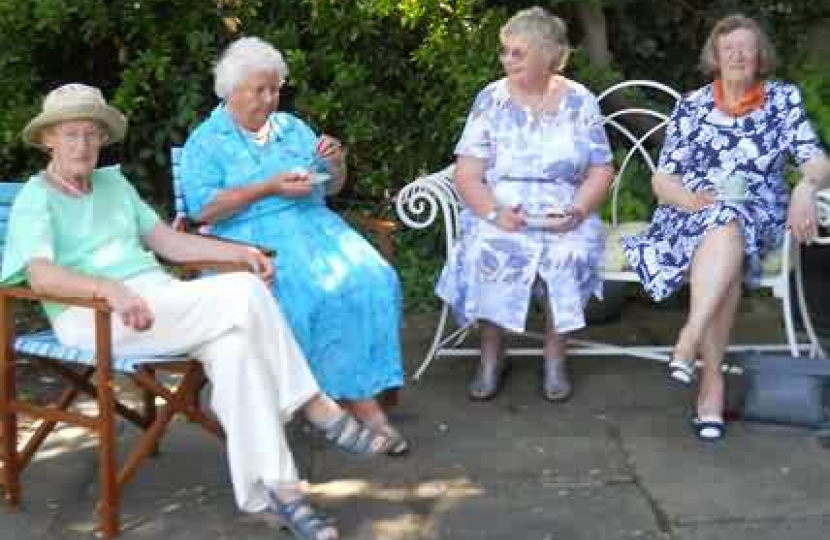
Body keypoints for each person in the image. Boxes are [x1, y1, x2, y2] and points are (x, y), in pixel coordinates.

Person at [1, 83, 399, 540]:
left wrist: (238, 251)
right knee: (247, 293)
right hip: (91, 315)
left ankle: (278, 494)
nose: (83, 145)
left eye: (91, 134)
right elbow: (42, 276)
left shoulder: (113, 182)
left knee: (235, 350)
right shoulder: (38, 196)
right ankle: (316, 406)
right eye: (71, 134)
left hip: (156, 302)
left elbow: (168, 242)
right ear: (49, 138)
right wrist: (108, 288)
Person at [179, 37, 408, 455]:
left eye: (275, 89)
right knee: (305, 293)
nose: (270, 99)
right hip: (247, 240)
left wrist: (336, 162)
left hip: (315, 226)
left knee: (373, 279)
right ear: (231, 90)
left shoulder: (292, 129)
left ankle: (355, 394)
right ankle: (339, 407)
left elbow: (331, 188)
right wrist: (267, 186)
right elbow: (204, 210)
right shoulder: (206, 141)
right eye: (259, 90)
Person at [621, 14, 830, 441]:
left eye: (746, 47)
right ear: (714, 56)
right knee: (723, 227)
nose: (737, 54)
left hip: (757, 212)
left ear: (760, 56)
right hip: (690, 211)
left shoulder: (782, 100)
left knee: (729, 223)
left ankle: (692, 346)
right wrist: (694, 201)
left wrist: (806, 188)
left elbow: (816, 160)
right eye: (728, 47)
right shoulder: (692, 105)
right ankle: (708, 380)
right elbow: (663, 180)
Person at [435, 6, 615, 402]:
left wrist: (578, 212)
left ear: (547, 55)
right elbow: (467, 173)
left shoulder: (580, 101)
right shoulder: (491, 99)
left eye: (518, 52)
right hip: (502, 208)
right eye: (505, 51)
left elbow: (602, 170)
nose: (506, 59)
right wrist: (495, 213)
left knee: (568, 252)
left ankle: (555, 358)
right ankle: (491, 355)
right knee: (490, 248)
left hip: (562, 211)